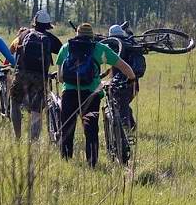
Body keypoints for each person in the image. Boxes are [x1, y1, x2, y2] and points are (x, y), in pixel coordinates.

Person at [56, 23, 136, 167]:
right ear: (92, 36)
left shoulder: (66, 47)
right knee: (91, 128)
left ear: (77, 35)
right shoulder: (99, 48)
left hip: (69, 92)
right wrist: (131, 79)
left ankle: (66, 161)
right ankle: (92, 163)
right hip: (91, 93)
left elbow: (60, 77)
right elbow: (123, 66)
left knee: (67, 127)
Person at [9, 9, 63, 140]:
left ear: (35, 22)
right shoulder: (50, 38)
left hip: (22, 74)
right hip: (41, 77)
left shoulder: (24, 34)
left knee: (15, 103)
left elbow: (13, 49)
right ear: (47, 25)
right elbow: (62, 51)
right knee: (36, 110)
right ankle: (33, 141)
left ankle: (17, 137)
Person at [108, 24, 146, 131]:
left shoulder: (113, 46)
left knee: (120, 103)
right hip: (133, 83)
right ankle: (131, 126)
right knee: (121, 103)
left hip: (122, 83)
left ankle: (126, 127)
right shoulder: (131, 44)